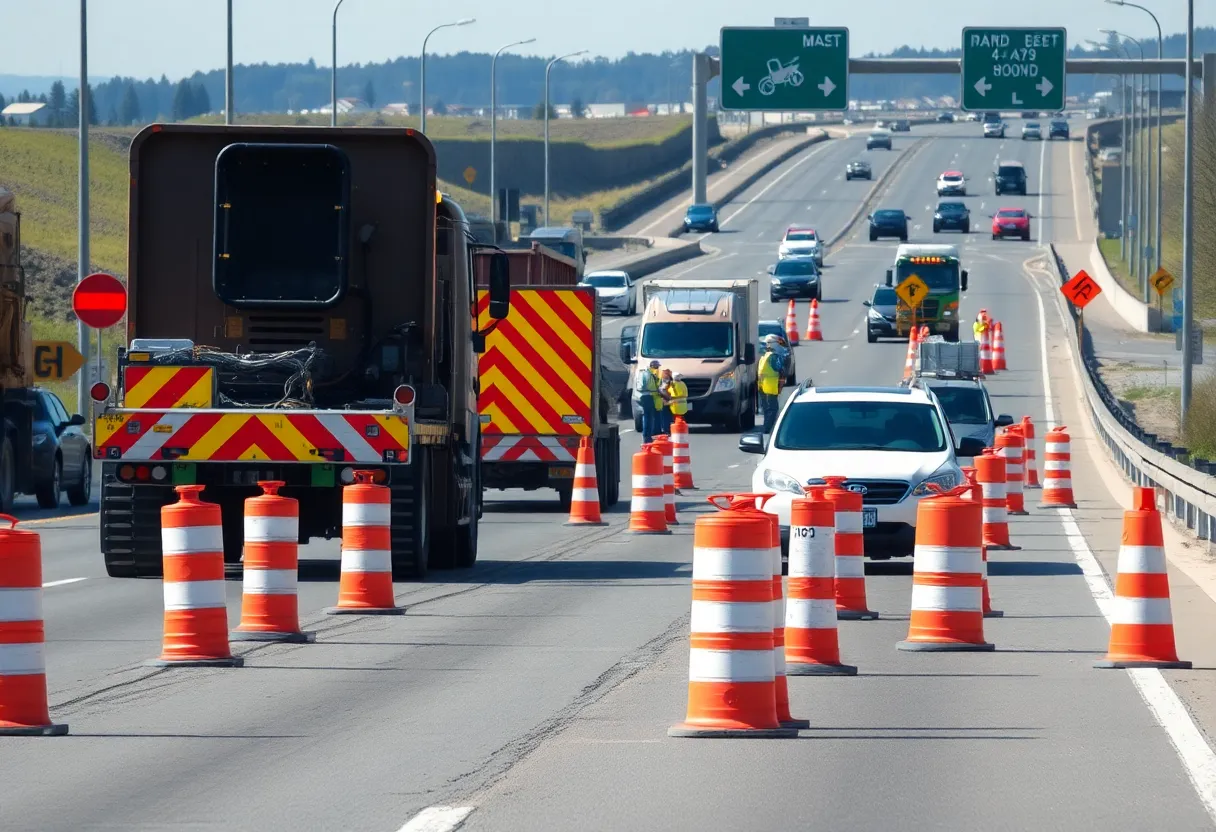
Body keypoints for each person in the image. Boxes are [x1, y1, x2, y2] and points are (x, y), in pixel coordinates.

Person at [758, 334, 786, 434]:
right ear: (774, 344)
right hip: (770, 388)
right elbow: (780, 369)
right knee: (773, 410)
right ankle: (769, 430)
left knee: (767, 410)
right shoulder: (773, 357)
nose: (780, 346)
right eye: (778, 344)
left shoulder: (764, 357)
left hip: (762, 388)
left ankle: (766, 429)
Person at [635, 359, 663, 443]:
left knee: (648, 416)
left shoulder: (645, 373)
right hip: (648, 396)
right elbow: (650, 386)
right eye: (657, 366)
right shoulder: (650, 374)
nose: (658, 368)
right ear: (653, 366)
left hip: (643, 396)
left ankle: (648, 436)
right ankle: (647, 437)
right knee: (648, 417)